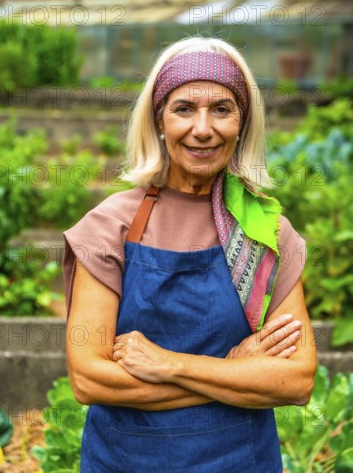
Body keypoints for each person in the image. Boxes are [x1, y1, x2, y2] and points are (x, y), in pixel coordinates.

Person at [63, 36, 317, 472]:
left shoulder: (264, 230)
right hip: (126, 461)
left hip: (242, 461)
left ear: (242, 123)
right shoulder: (111, 226)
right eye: (184, 109)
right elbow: (89, 377)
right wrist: (233, 372)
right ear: (160, 121)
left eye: (221, 109)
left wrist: (168, 364)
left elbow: (294, 380)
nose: (203, 128)